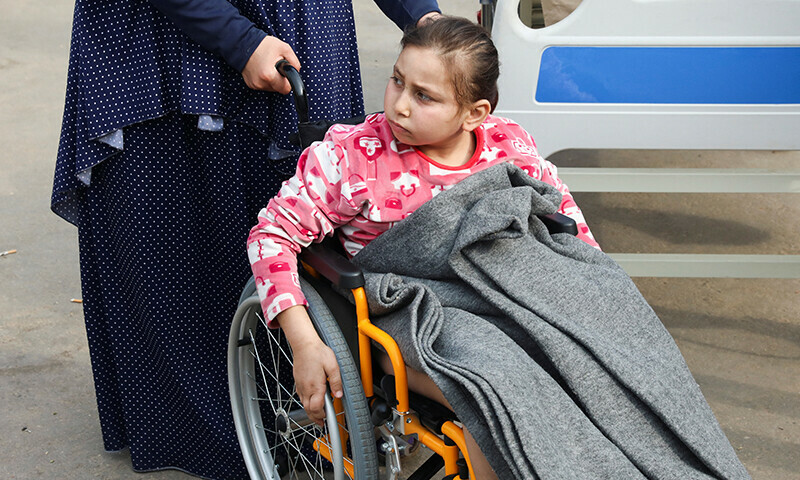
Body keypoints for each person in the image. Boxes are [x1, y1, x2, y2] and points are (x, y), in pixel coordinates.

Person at [51, 0, 440, 478]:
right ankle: (207, 431)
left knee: (327, 212)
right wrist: (239, 39)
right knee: (178, 246)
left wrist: (424, 17)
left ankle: (319, 407)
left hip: (304, 33)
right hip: (167, 50)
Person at [248, 16, 599, 478]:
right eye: (397, 81)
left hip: (504, 297)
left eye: (424, 96)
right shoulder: (353, 158)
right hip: (409, 321)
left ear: (475, 113)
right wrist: (305, 343)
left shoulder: (508, 146)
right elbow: (271, 235)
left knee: (597, 363)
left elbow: (567, 223)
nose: (400, 107)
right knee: (487, 395)